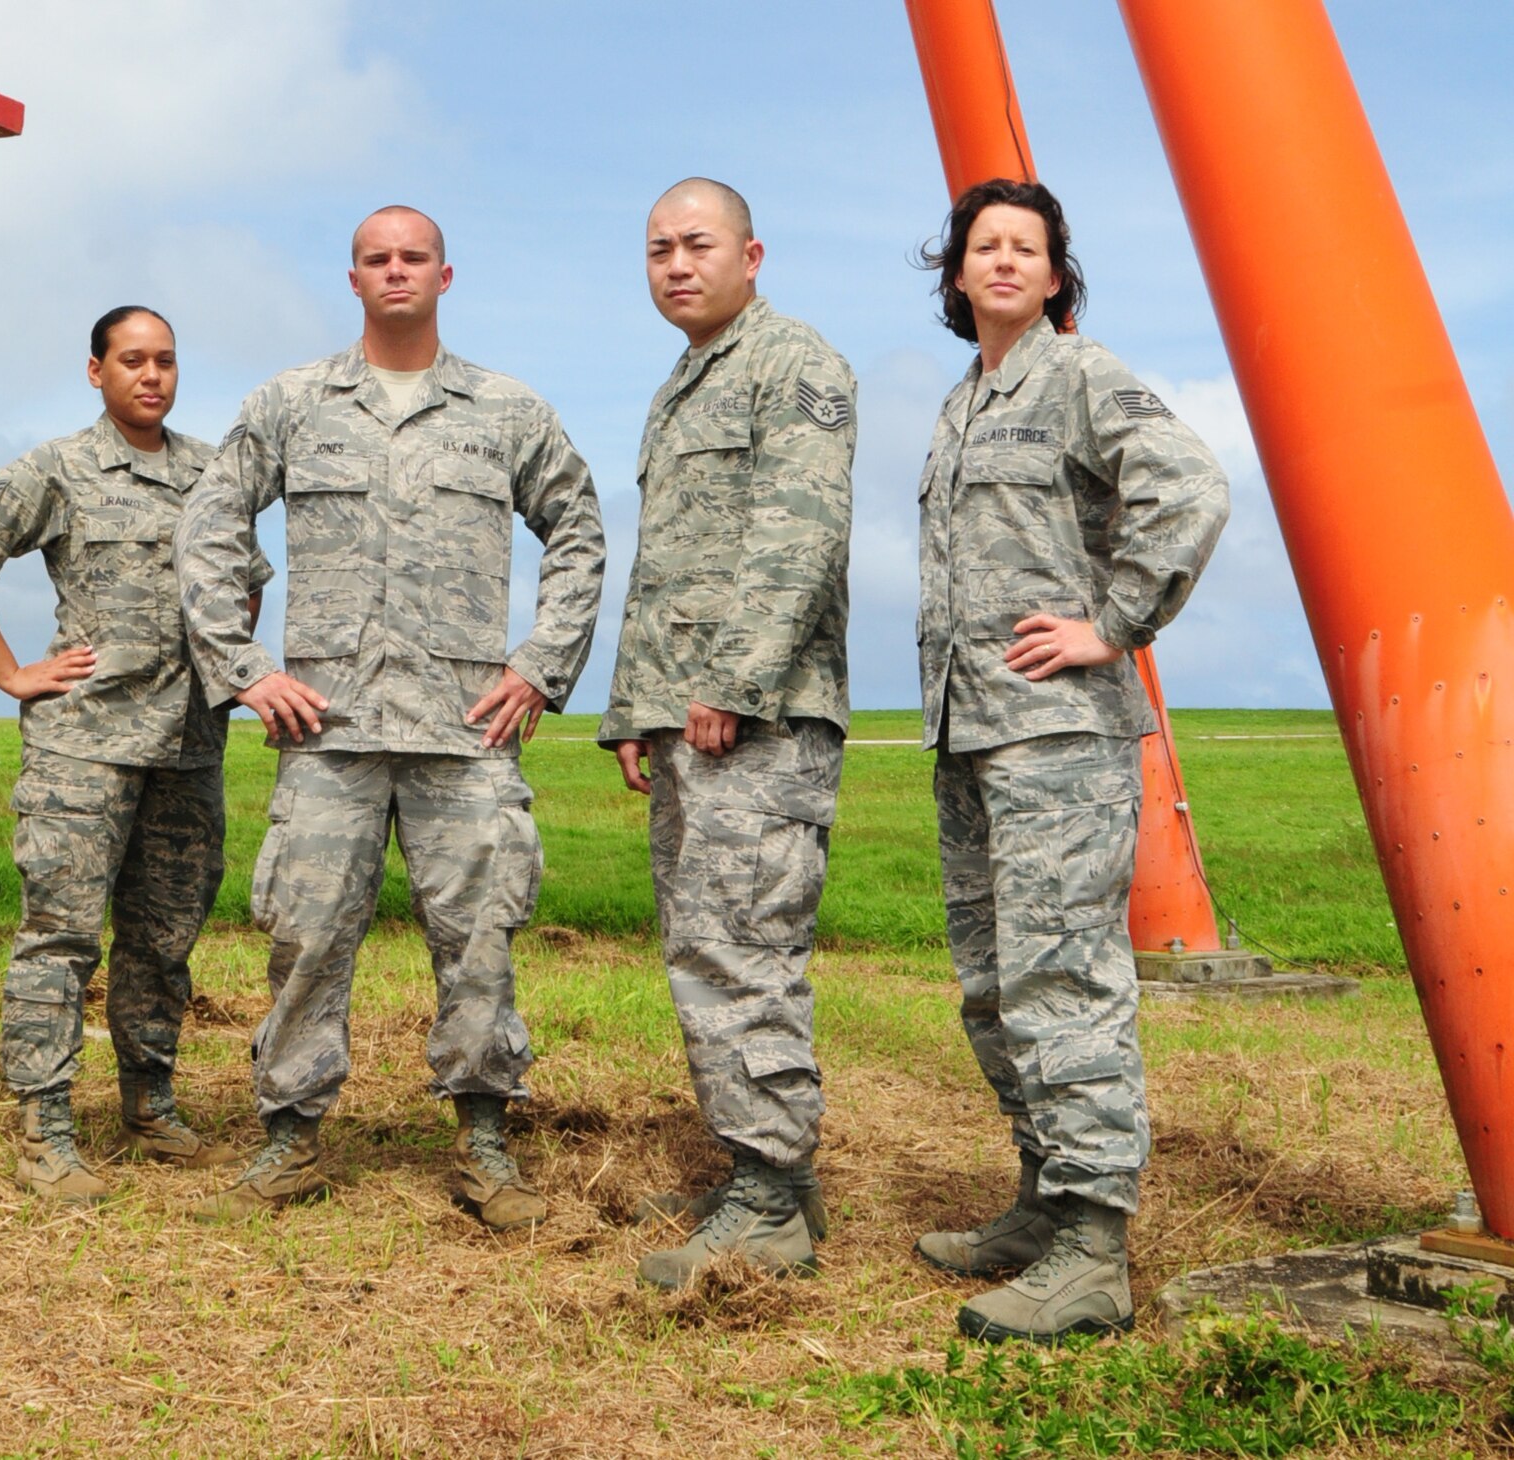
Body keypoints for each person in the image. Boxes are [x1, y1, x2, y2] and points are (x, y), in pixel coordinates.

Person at [175, 205, 605, 1229]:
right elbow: (208, 521)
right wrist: (242, 667)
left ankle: (483, 1138)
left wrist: (540, 667)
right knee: (307, 935)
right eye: (378, 259)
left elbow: (578, 528)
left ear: (444, 276)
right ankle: (291, 1136)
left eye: (414, 257)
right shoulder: (291, 403)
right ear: (354, 277)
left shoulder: (504, 410)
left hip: (466, 728)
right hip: (328, 725)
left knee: (480, 940)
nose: (396, 271)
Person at [911, 178, 1228, 1342]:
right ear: (956, 274)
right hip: (971, 732)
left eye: (1024, 248)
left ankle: (1094, 1245)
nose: (1001, 261)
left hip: (1057, 736)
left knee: (1061, 980)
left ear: (1053, 277)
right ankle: (1042, 1203)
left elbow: (1188, 487)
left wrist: (1114, 620)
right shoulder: (960, 405)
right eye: (982, 245)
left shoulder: (1080, 376)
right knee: (993, 987)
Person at [0, 307, 268, 1203]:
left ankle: (148, 1100)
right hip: (84, 747)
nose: (150, 376)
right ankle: (45, 1125)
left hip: (188, 750)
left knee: (163, 940)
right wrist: (8, 672)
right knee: (63, 937)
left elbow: (246, 588)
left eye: (164, 361)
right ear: (96, 371)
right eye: (131, 361)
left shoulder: (211, 474)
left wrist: (220, 674)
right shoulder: (58, 468)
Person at [599, 178, 856, 1290]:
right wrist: (634, 709)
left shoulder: (789, 361)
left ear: (752, 253)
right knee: (704, 941)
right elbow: (664, 568)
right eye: (656, 248)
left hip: (755, 724)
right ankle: (762, 1174)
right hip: (691, 721)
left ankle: (769, 1200)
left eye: (695, 243)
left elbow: (796, 536)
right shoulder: (678, 386)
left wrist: (735, 681)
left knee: (743, 947)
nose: (673, 263)